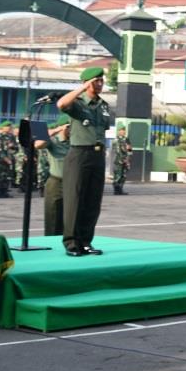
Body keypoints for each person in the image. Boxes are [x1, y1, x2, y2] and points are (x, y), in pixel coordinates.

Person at [56, 67, 113, 256]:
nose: (100, 84)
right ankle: (72, 243)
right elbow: (61, 104)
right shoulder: (78, 103)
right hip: (79, 154)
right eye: (96, 81)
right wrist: (81, 89)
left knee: (92, 201)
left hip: (97, 155)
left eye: (101, 81)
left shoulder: (103, 105)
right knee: (75, 199)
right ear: (87, 82)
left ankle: (86, 241)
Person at [36, 119, 71, 236]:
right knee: (53, 217)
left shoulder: (74, 142)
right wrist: (57, 129)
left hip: (72, 183)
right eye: (69, 127)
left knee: (70, 217)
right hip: (56, 183)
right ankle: (51, 243)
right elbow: (38, 144)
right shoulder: (53, 141)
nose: (71, 130)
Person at [0, 121, 17, 199]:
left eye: (9, 126)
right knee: (1, 176)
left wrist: (12, 146)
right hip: (1, 160)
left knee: (7, 176)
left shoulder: (11, 136)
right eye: (7, 126)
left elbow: (16, 148)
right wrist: (6, 159)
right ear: (2, 128)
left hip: (10, 159)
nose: (9, 128)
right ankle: (1, 192)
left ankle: (5, 191)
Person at [111, 126, 132, 196]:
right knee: (118, 175)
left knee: (124, 175)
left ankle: (121, 189)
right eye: (122, 130)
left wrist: (128, 158)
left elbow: (129, 149)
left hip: (126, 160)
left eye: (124, 130)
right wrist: (121, 159)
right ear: (118, 131)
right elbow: (117, 151)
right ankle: (116, 190)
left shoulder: (126, 139)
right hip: (118, 160)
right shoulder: (116, 140)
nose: (123, 132)